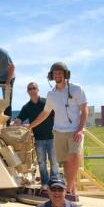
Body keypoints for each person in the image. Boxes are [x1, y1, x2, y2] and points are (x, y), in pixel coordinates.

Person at [26, 62, 88, 199]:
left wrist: (80, 129)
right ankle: (72, 188)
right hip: (58, 131)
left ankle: (68, 190)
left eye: (60, 73)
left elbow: (84, 110)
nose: (57, 75)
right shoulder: (51, 94)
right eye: (55, 73)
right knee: (65, 161)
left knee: (74, 156)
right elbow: (45, 113)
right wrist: (31, 126)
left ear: (66, 74)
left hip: (74, 129)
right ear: (51, 76)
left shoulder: (76, 89)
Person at [14, 81, 59, 189]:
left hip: (52, 137)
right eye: (30, 89)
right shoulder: (26, 107)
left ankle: (54, 182)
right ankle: (45, 183)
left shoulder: (46, 102)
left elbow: (56, 115)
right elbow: (19, 119)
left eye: (34, 88)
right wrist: (14, 124)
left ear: (38, 90)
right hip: (39, 139)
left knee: (54, 162)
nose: (32, 90)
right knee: (41, 162)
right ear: (27, 92)